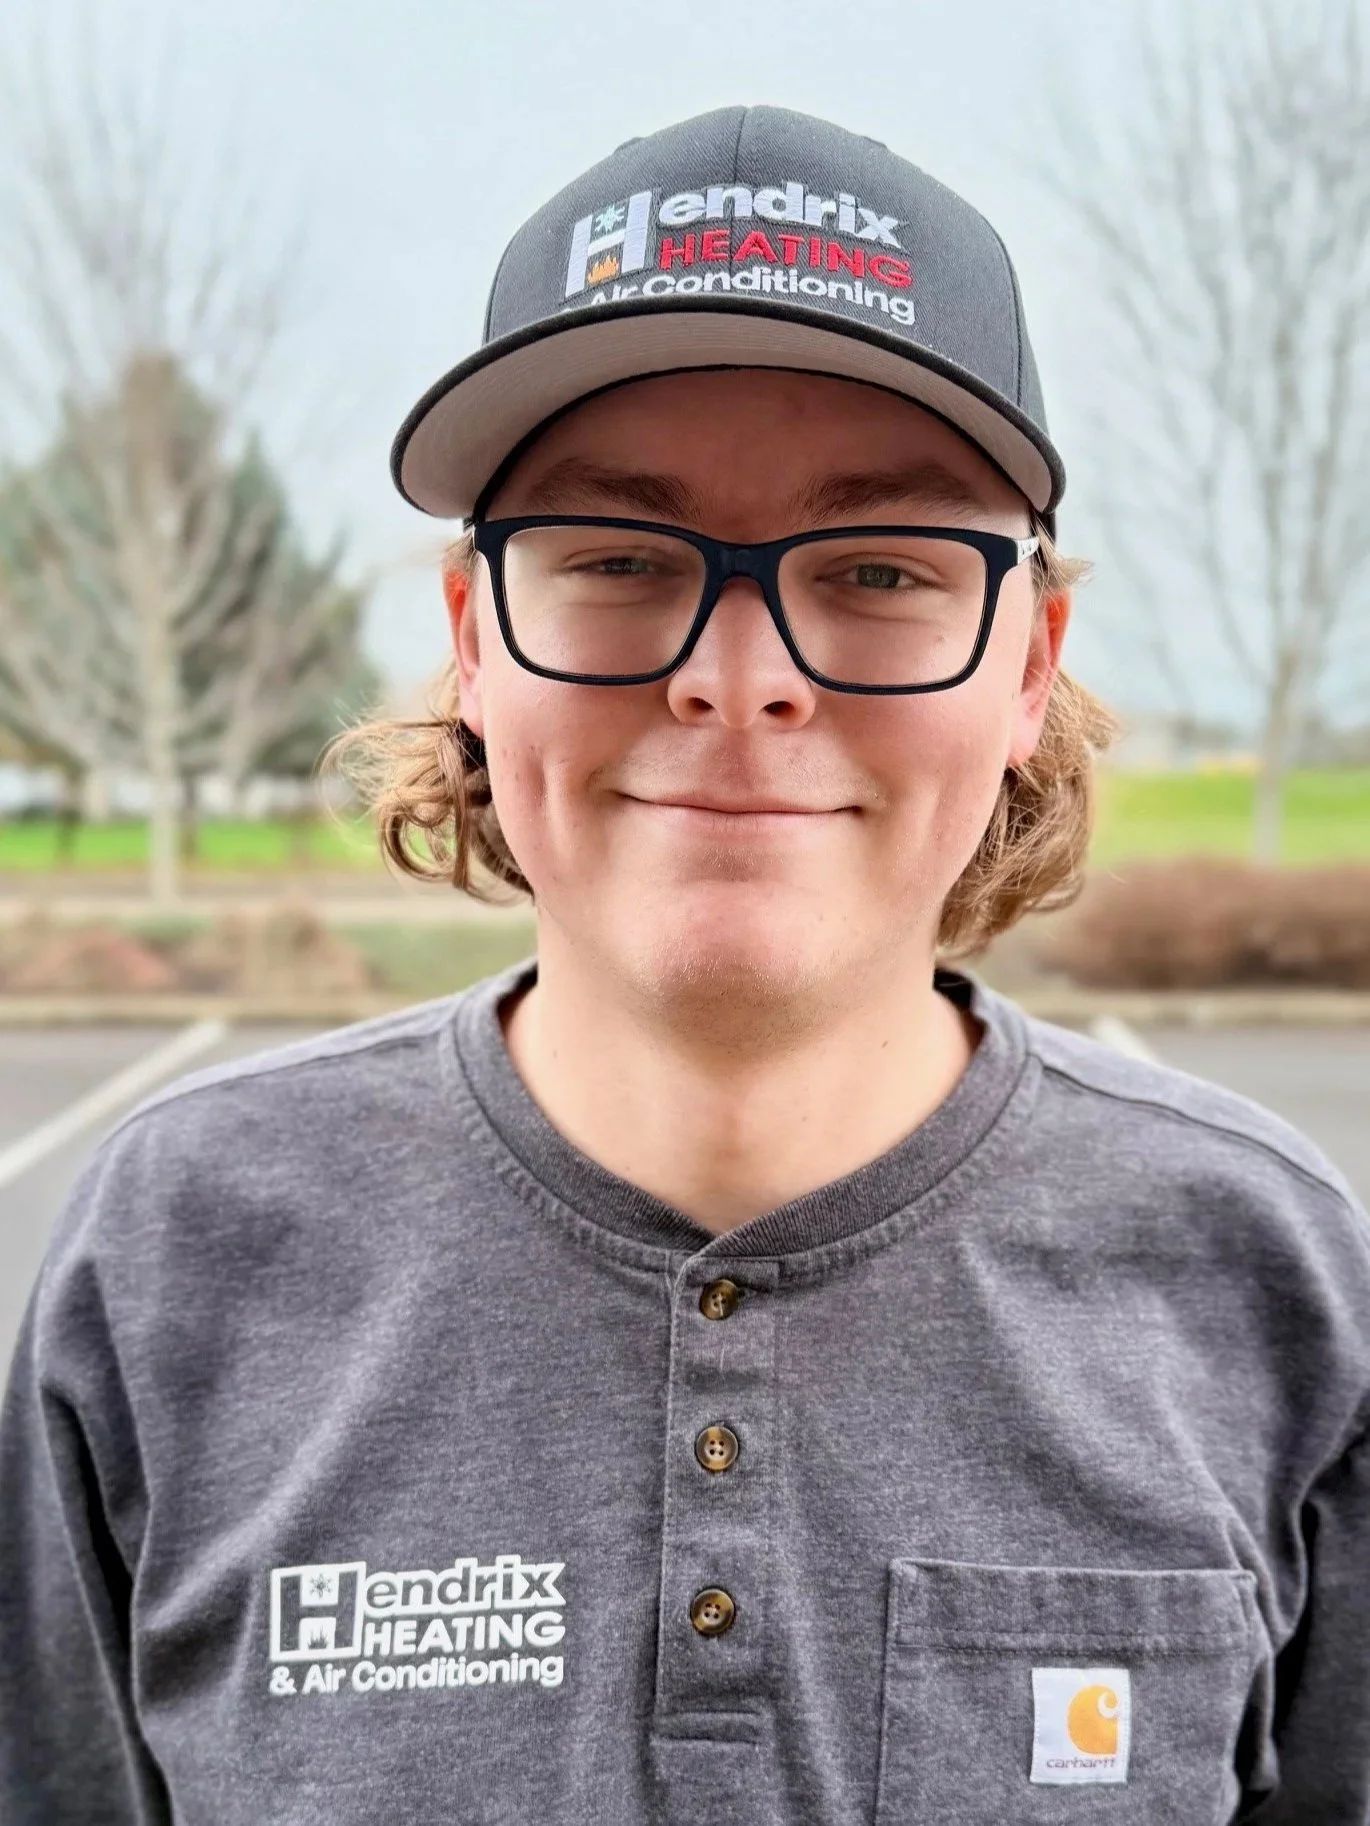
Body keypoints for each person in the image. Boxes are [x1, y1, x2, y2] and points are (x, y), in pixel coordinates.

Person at [2, 104, 1367, 1826]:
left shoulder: (1266, 1280)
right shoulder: (180, 1256)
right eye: (619, 561)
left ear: (1028, 662)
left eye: (876, 567)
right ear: (473, 644)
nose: (739, 679)